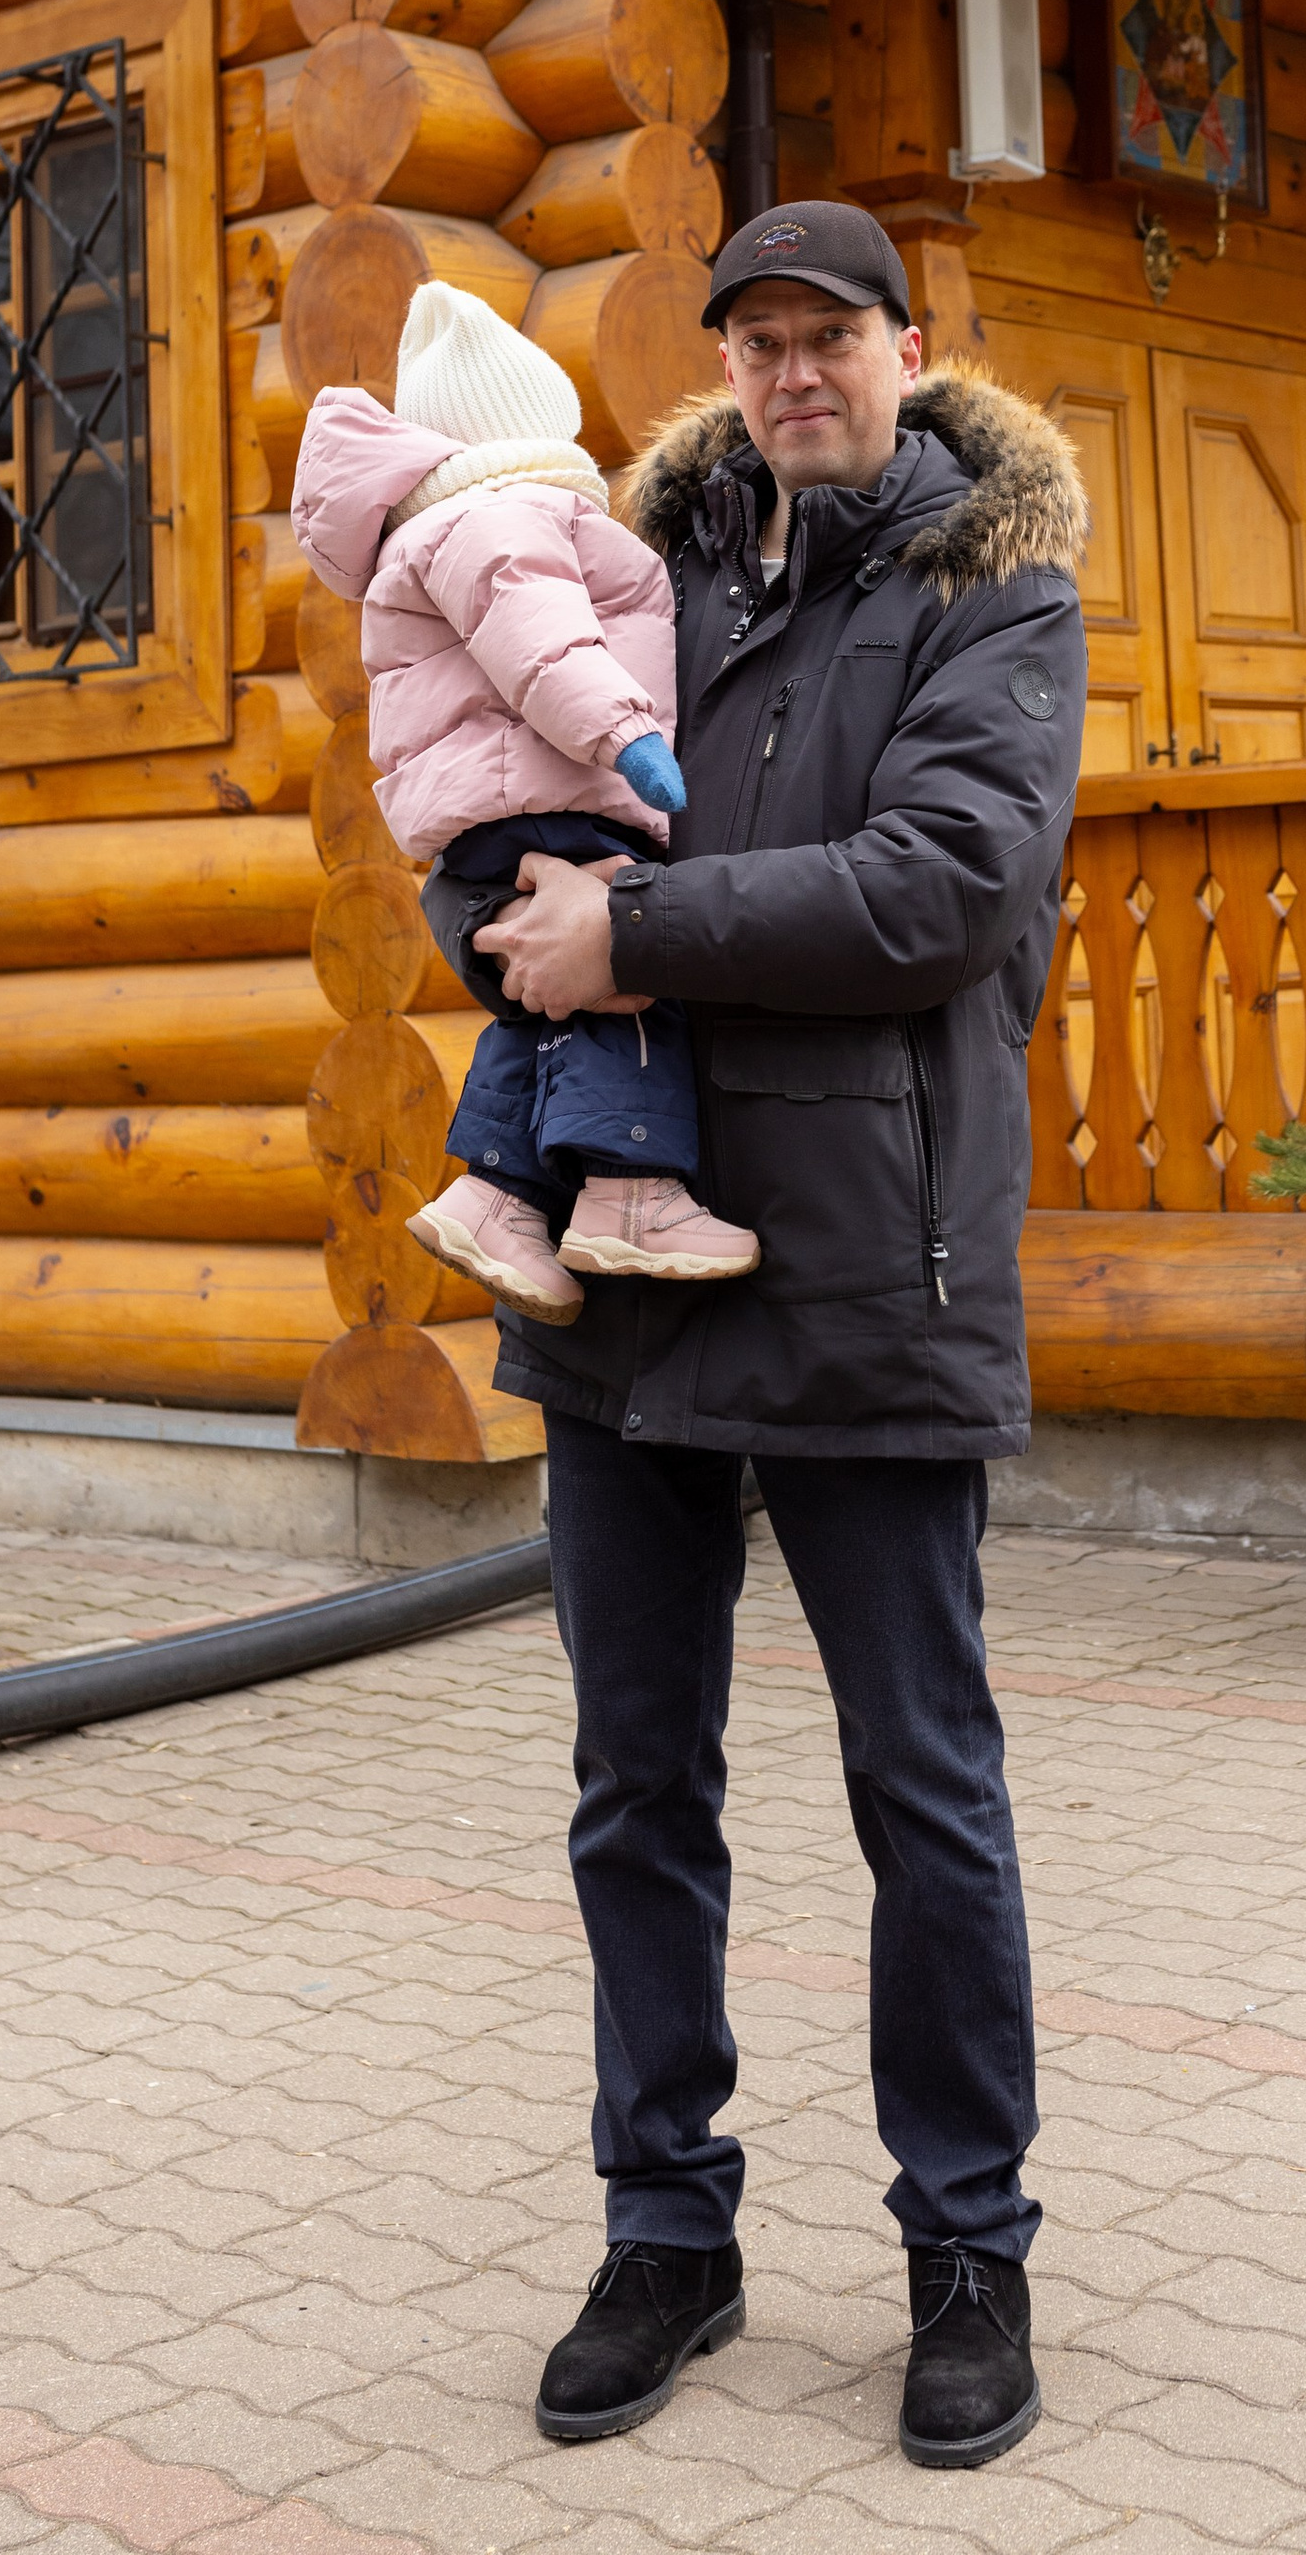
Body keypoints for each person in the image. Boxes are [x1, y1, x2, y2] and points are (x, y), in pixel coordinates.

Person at [429, 201, 1087, 2472]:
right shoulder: (642, 570)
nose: (790, 370)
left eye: (829, 334)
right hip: (625, 1266)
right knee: (636, 1780)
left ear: (909, 345)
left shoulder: (988, 583)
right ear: (717, 360)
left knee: (923, 1786)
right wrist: (508, 916)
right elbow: (523, 795)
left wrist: (637, 933)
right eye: (753, 338)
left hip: (862, 1263)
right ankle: (664, 2226)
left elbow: (944, 885)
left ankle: (967, 2247)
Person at [289, 280, 760, 1324]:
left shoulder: (450, 522)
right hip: (552, 781)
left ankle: (496, 1194)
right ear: (517, 429)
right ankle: (631, 1192)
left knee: (548, 1003)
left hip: (504, 800)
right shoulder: (507, 515)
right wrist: (631, 743)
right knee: (628, 978)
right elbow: (543, 645)